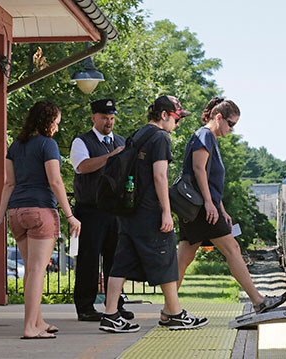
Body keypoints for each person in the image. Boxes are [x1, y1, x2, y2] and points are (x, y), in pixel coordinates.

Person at [100, 95, 208, 333]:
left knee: (121, 263)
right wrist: (167, 212)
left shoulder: (138, 135)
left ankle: (110, 315)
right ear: (164, 115)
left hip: (129, 210)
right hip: (149, 210)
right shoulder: (160, 137)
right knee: (167, 259)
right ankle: (174, 314)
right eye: (176, 118)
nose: (176, 124)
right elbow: (160, 175)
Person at [174, 97, 286, 317]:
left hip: (203, 206)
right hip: (201, 207)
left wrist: (221, 208)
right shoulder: (205, 135)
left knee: (184, 257)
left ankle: (169, 308)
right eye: (231, 123)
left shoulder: (209, 138)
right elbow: (199, 170)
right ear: (219, 117)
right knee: (232, 249)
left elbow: (211, 179)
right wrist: (209, 203)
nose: (232, 129)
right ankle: (258, 301)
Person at [0, 100, 82, 339]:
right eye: (56, 123)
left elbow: (9, 183)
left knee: (31, 271)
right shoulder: (47, 145)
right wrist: (70, 215)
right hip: (40, 212)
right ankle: (30, 327)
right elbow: (55, 181)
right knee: (37, 270)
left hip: (16, 213)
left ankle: (38, 321)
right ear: (47, 122)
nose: (58, 128)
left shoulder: (16, 146)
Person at [69, 99, 134, 321]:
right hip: (90, 209)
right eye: (105, 118)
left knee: (116, 259)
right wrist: (111, 156)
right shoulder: (82, 141)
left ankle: (114, 304)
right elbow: (82, 166)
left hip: (115, 210)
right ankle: (85, 306)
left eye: (112, 118)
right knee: (89, 258)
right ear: (94, 118)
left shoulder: (120, 141)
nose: (109, 122)